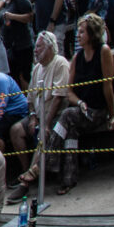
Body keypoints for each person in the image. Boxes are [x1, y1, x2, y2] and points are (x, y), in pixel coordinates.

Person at [43, 14, 114, 195]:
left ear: (92, 34)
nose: (78, 35)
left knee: (67, 115)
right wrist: (79, 102)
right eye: (78, 31)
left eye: (82, 32)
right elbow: (69, 91)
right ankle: (68, 179)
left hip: (98, 111)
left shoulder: (104, 51)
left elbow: (107, 86)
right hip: (83, 110)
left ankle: (47, 160)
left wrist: (113, 114)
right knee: (71, 130)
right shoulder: (77, 57)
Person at [8, 31, 70, 201]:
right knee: (16, 130)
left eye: (39, 46)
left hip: (55, 114)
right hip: (39, 113)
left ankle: (26, 183)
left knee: (43, 134)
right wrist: (34, 116)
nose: (36, 50)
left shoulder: (60, 63)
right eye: (35, 47)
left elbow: (58, 98)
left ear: (50, 47)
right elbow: (30, 98)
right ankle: (26, 168)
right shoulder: (36, 68)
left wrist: (45, 123)